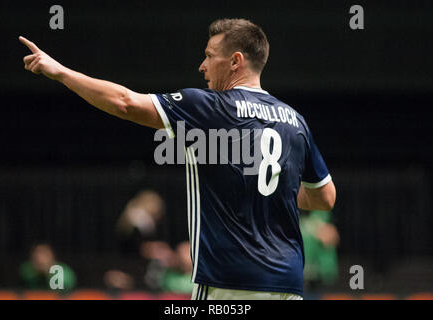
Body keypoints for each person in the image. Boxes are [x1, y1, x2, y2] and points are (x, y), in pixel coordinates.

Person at [19, 18, 336, 300]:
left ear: (236, 61)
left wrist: (59, 72)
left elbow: (126, 103)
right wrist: (273, 189)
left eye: (210, 56)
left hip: (228, 284)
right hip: (288, 285)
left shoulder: (211, 106)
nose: (202, 65)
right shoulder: (295, 121)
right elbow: (325, 197)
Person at [300, 210, 340, 292]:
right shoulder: (297, 217)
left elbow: (330, 238)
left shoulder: (321, 215)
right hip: (302, 275)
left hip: (321, 277)